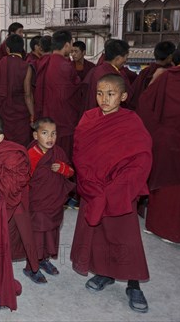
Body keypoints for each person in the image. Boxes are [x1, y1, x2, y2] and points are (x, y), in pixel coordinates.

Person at [71, 74, 152, 314]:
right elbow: (79, 152)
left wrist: (116, 188)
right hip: (93, 188)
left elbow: (141, 158)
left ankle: (133, 283)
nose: (104, 99)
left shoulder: (131, 122)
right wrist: (90, 183)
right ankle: (105, 273)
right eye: (100, 93)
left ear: (124, 96)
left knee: (124, 236)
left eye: (111, 94)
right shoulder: (88, 118)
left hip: (119, 190)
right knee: (97, 233)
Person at [0, 113, 46, 285]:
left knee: (17, 238)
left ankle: (30, 268)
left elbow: (12, 187)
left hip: (13, 203)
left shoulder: (13, 154)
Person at [138, 48, 180, 244]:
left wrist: (157, 133)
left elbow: (145, 103)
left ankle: (166, 228)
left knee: (169, 186)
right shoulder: (165, 75)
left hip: (168, 141)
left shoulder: (166, 77)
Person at [27, 117, 75, 275]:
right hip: (38, 203)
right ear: (35, 136)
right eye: (45, 133)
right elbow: (24, 179)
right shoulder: (31, 155)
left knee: (50, 232)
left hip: (54, 203)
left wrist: (62, 168)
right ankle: (32, 267)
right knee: (37, 234)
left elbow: (70, 173)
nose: (50, 138)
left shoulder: (58, 152)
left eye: (53, 134)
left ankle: (44, 260)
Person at [34, 30, 81, 162]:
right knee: (62, 157)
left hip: (47, 115)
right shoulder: (65, 65)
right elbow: (74, 90)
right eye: (71, 44)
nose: (71, 48)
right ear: (66, 45)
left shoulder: (43, 62)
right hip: (64, 118)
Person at [0, 34, 35, 147]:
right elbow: (27, 94)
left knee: (4, 144)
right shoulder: (26, 66)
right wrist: (33, 114)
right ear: (22, 48)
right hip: (20, 114)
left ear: (7, 49)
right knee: (20, 145)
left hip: (2, 111)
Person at [81, 39, 132, 112]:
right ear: (118, 58)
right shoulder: (109, 74)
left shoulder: (98, 70)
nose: (126, 60)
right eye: (125, 57)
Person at [129, 41, 175, 110]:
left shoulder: (145, 72)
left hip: (143, 110)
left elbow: (134, 94)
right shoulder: (170, 72)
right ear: (170, 57)